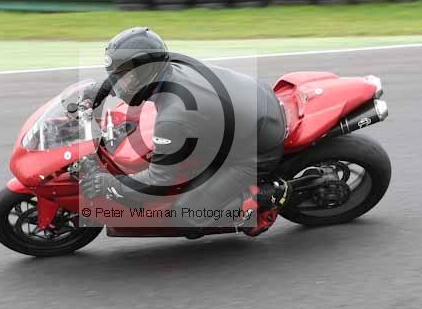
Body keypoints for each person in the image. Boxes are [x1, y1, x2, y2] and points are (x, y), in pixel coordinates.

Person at [80, 27, 288, 235]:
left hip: (256, 149)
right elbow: (134, 72)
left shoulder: (173, 116)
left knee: (187, 215)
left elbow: (159, 180)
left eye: (124, 78)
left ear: (146, 72)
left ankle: (264, 197)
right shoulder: (168, 66)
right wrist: (102, 89)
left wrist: (110, 184)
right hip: (252, 103)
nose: (120, 84)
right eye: (117, 77)